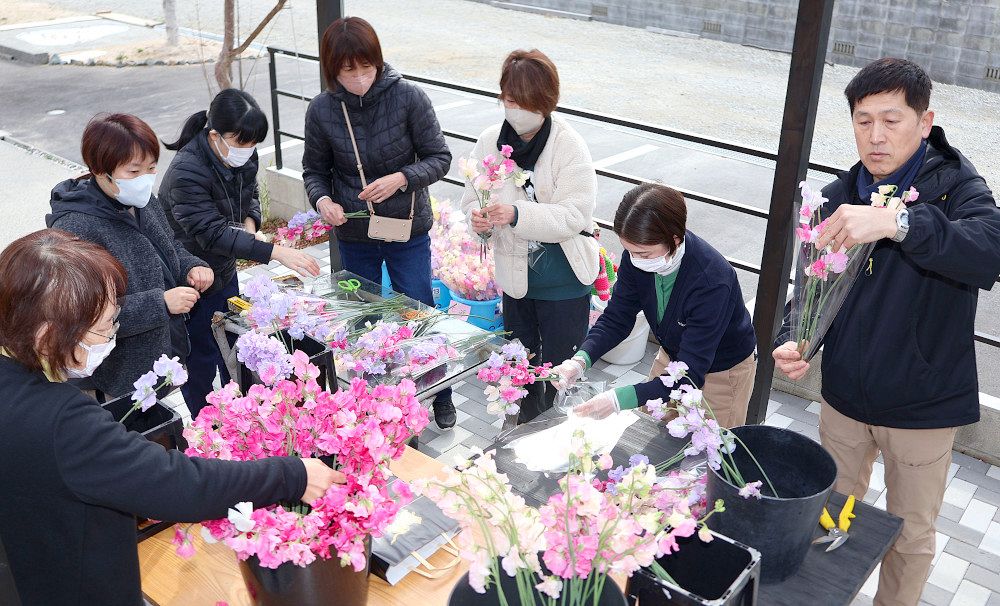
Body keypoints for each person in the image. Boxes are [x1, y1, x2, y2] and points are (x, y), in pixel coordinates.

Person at [0, 229, 343, 606]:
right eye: (103, 328)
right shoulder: (59, 421)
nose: (112, 336)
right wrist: (293, 475)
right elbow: (177, 484)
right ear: (48, 337)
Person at [773, 58, 1000, 606]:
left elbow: (988, 253)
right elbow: (809, 286)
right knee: (830, 516)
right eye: (863, 120)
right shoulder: (836, 195)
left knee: (909, 535)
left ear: (925, 122)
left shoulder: (957, 186)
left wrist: (899, 222)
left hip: (923, 407)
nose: (875, 136)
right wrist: (795, 336)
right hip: (845, 398)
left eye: (892, 120)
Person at [302, 16, 455, 428]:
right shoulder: (321, 110)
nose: (358, 79)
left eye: (365, 68)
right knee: (360, 314)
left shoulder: (409, 98)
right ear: (332, 69)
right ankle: (375, 395)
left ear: (378, 62)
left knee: (418, 309)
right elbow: (313, 171)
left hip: (406, 227)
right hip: (354, 231)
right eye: (347, 71)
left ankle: (438, 390)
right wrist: (323, 201)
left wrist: (403, 178)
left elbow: (440, 158)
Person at [160, 89, 320, 417]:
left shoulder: (243, 152)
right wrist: (274, 251)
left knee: (234, 344)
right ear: (215, 135)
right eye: (241, 142)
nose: (247, 151)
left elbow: (249, 194)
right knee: (200, 357)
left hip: (224, 271)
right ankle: (209, 428)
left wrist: (250, 222)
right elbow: (212, 233)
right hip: (191, 277)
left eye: (253, 144)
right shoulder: (185, 173)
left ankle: (244, 416)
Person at [463, 49, 599, 423]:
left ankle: (558, 434)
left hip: (564, 282)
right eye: (509, 100)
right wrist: (477, 221)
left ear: (546, 103)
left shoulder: (568, 144)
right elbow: (469, 200)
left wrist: (516, 213)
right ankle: (524, 434)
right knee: (520, 372)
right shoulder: (490, 141)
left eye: (525, 103)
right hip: (515, 279)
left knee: (559, 376)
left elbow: (575, 214)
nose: (516, 109)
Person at [557, 183, 757, 426]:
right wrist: (580, 361)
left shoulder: (712, 280)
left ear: (675, 238)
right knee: (649, 432)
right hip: (674, 356)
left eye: (645, 254)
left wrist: (617, 399)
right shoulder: (638, 255)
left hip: (722, 372)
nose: (635, 260)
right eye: (629, 251)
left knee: (711, 454)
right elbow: (617, 318)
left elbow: (689, 374)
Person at [46, 113, 213, 399]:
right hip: (116, 377)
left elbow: (168, 247)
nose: (145, 180)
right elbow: (81, 314)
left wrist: (192, 266)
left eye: (151, 168)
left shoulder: (142, 201)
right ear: (101, 171)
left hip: (160, 353)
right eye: (133, 172)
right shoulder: (75, 227)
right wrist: (160, 303)